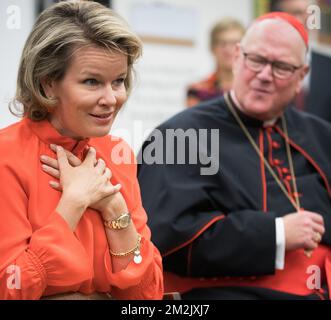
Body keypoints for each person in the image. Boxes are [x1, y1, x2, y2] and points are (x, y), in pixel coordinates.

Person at [138, 12, 331, 299]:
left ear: (301, 76)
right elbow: (166, 240)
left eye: (280, 67)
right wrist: (275, 234)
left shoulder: (321, 135)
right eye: (256, 60)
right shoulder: (176, 136)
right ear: (237, 57)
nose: (264, 76)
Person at [0, 1, 163, 300]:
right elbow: (10, 289)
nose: (111, 98)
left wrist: (114, 208)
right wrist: (73, 204)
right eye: (92, 82)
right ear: (48, 84)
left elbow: (147, 296)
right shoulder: (5, 157)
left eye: (118, 81)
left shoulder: (118, 154)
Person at [186, 18, 245, 108]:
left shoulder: (252, 90)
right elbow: (194, 121)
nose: (228, 49)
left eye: (234, 43)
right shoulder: (197, 90)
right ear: (212, 48)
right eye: (222, 43)